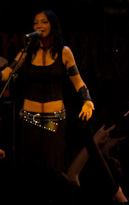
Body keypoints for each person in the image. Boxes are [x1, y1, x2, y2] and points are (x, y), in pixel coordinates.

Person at [1, 10, 95, 181]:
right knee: (30, 168)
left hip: (54, 120)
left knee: (53, 167)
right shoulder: (26, 53)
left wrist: (87, 100)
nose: (39, 26)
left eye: (43, 22)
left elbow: (78, 82)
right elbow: (8, 71)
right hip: (29, 118)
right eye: (36, 23)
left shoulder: (64, 52)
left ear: (52, 25)